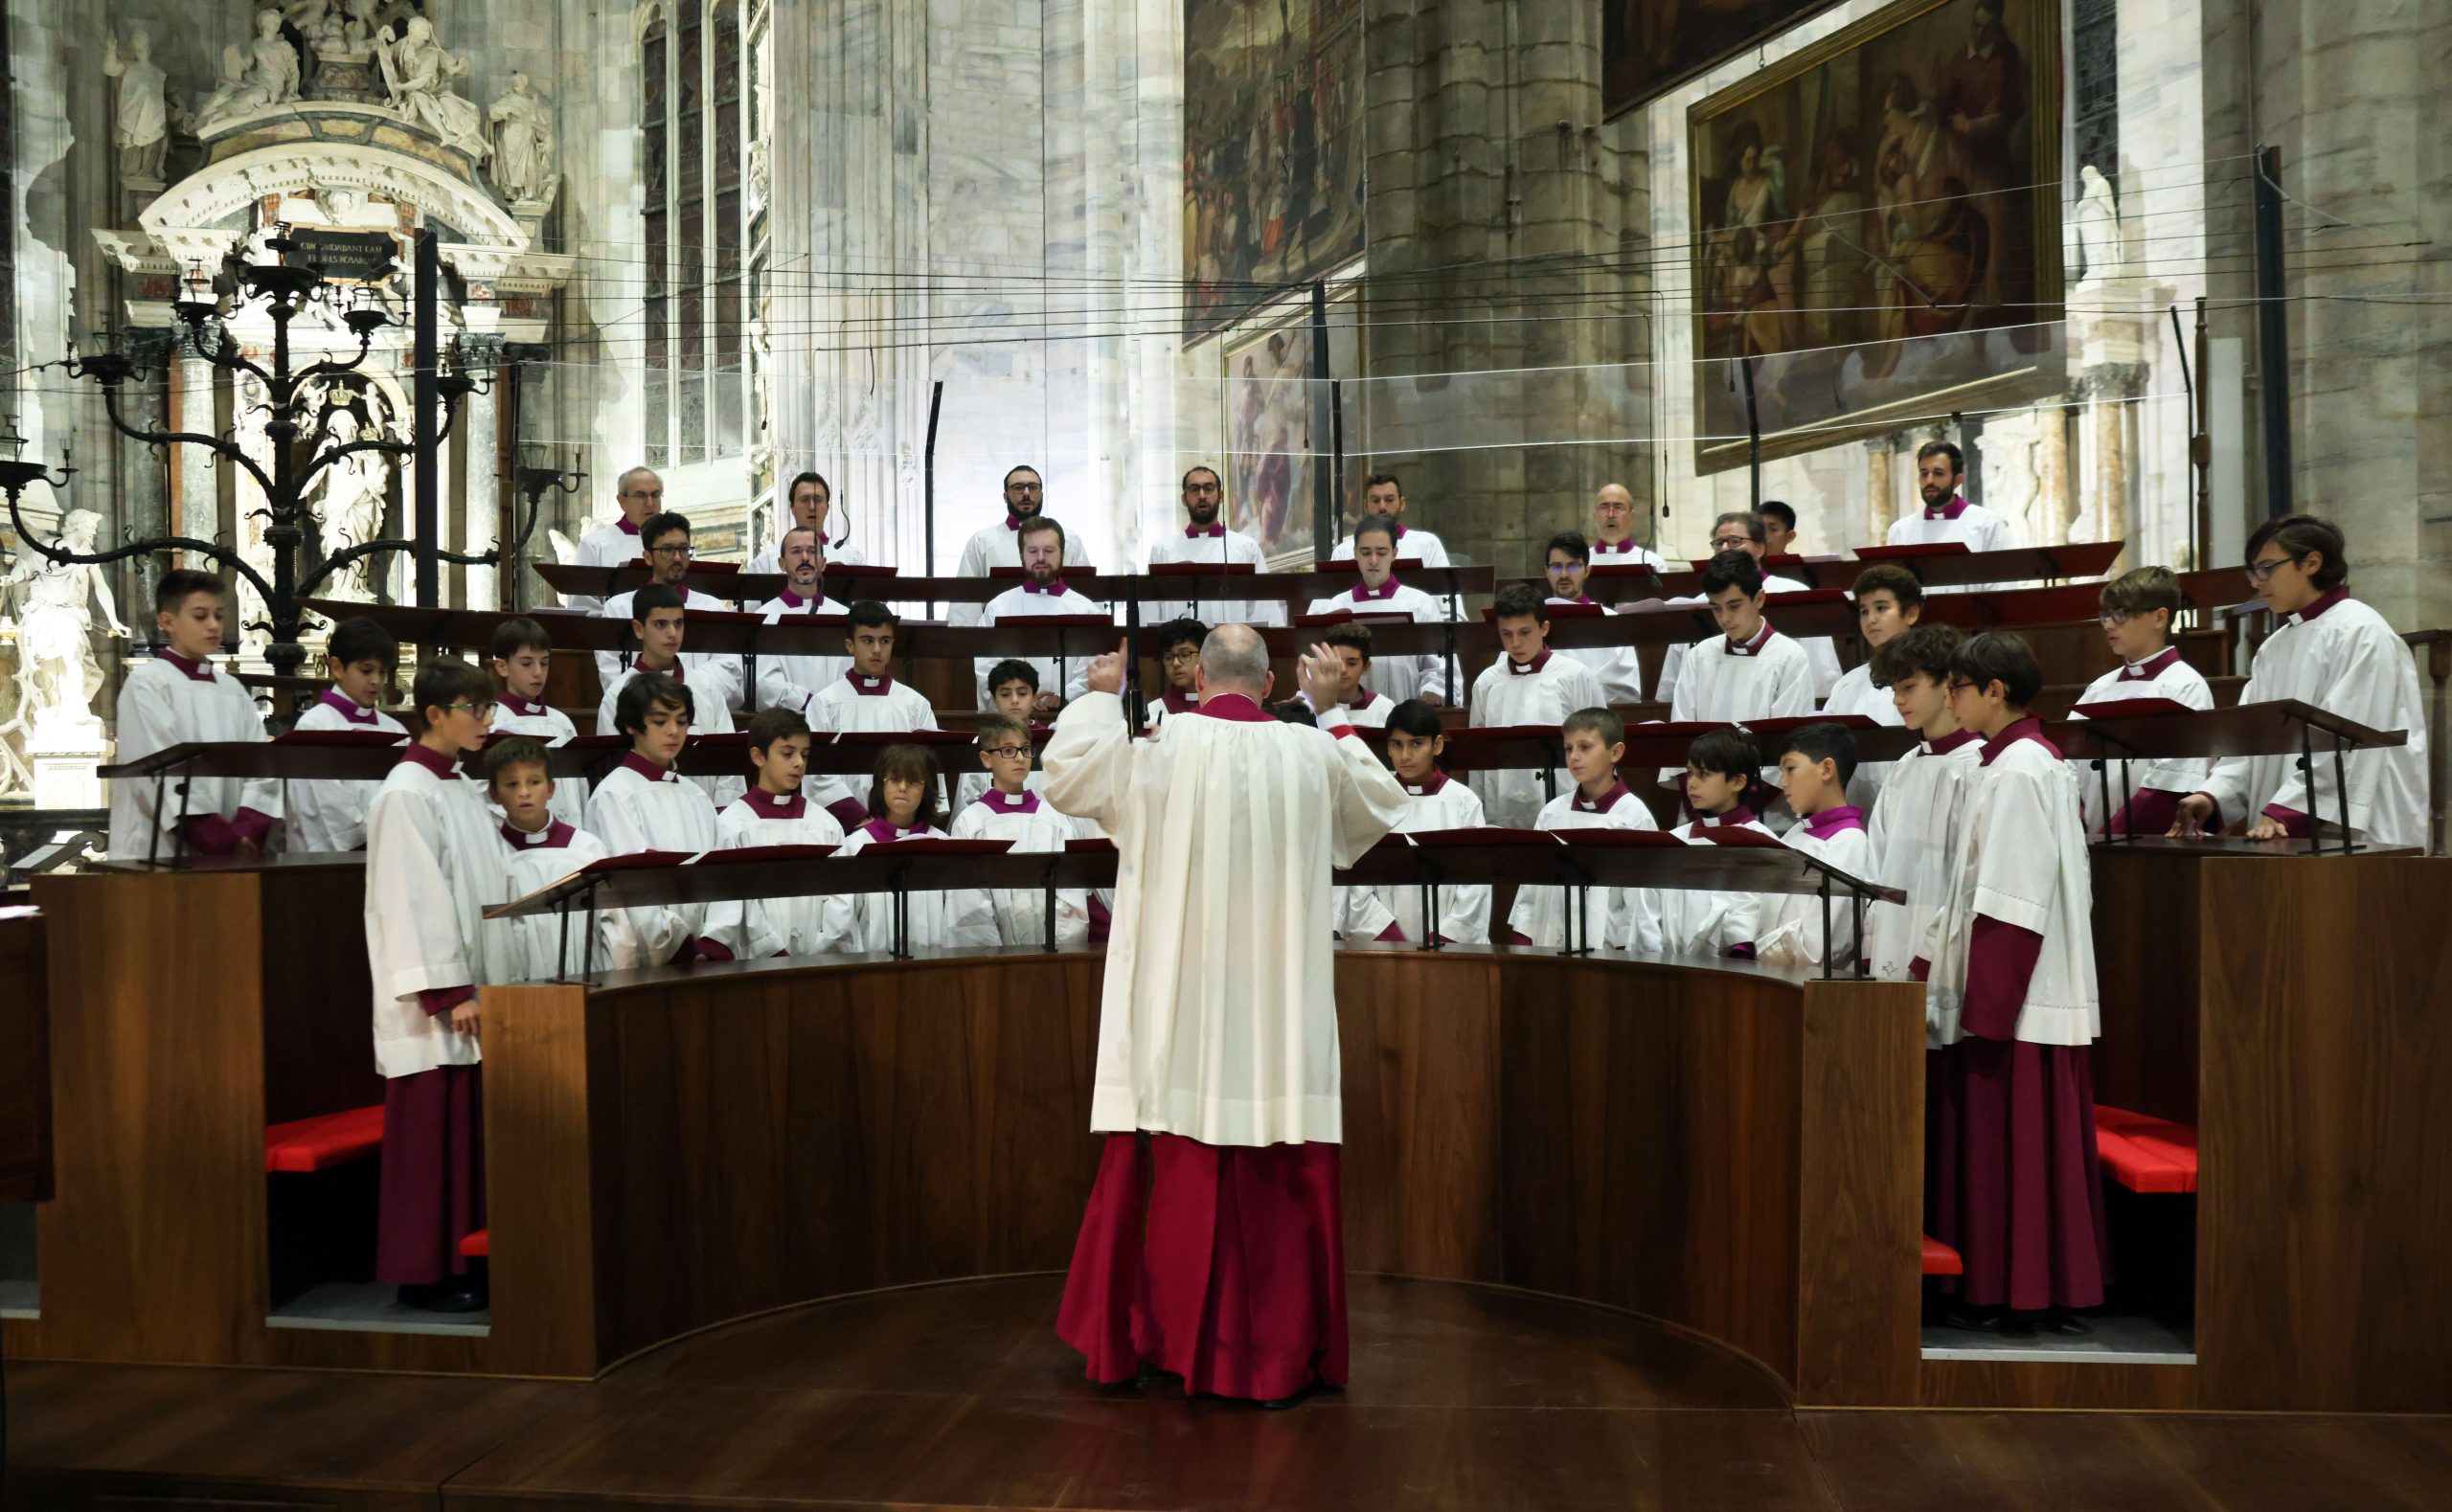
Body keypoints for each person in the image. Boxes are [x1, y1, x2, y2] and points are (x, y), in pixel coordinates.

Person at [1047, 625, 1407, 1405]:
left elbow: (1066, 779)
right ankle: (1278, 1353)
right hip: (1278, 1017)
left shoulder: (1153, 749)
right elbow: (1381, 806)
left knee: (1171, 1146)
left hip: (1177, 1015)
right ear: (1271, 680)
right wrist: (1332, 712)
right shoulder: (1312, 751)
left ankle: (1158, 1339)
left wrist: (1102, 699)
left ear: (1199, 679)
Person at [1919, 632, 2108, 1332]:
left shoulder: (2020, 769)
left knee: (2016, 1145)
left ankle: (2019, 1288)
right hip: (2009, 987)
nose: (1951, 697)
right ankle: (2005, 1281)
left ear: (1994, 690)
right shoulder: (2012, 761)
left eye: (1959, 686)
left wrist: (1986, 1005)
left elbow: (2012, 896)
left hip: (2020, 995)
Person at [362, 657, 503, 1312]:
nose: (485, 719)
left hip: (472, 985)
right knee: (431, 1139)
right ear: (434, 713)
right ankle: (425, 1274)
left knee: (464, 1137)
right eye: (473, 707)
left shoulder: (458, 787)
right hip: (434, 1005)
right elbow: (412, 898)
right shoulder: (406, 791)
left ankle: (465, 1259)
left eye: (488, 707)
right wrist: (446, 991)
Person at [2171, 515, 2428, 849]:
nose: (2257, 582)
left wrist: (2287, 811)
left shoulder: (2361, 632)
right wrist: (2212, 796)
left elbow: (2347, 738)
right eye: (2253, 572)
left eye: (2266, 568)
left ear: (2311, 562)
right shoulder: (2273, 648)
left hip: (2354, 829)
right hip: (2279, 828)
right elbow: (2250, 739)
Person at [107, 570, 282, 861]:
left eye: (219, 615)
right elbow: (161, 771)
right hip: (161, 852)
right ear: (168, 621)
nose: (213, 625)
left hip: (236, 851)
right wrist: (224, 841)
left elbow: (261, 768)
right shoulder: (147, 684)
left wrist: (247, 831)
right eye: (200, 616)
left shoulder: (233, 690)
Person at [1861, 625, 1984, 1039]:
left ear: (1948, 682)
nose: (1898, 700)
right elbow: (1877, 863)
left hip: (1951, 947)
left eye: (1909, 687)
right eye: (1894, 689)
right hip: (1895, 940)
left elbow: (1974, 872)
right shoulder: (1903, 768)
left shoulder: (1979, 768)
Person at [584, 673, 747, 970]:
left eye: (682, 721)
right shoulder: (614, 795)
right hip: (645, 965)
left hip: (703, 959)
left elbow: (724, 872)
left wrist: (713, 941)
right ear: (632, 725)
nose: (673, 731)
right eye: (660, 722)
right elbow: (634, 884)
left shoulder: (695, 795)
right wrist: (679, 947)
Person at [2065, 566, 2214, 838]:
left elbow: (2169, 784)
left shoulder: (2185, 686)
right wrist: (2080, 827)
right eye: (2105, 615)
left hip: (2149, 844)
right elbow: (2067, 765)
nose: (2109, 624)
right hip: (2090, 840)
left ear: (2159, 618)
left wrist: (2113, 835)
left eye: (2121, 614)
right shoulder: (2100, 688)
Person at [1333, 698, 1490, 946]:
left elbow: (1475, 884)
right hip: (1387, 946)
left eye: (1416, 744)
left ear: (1437, 745)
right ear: (1387, 747)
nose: (1405, 755)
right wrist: (1390, 937)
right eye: (1397, 745)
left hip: (1448, 948)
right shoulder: (1375, 799)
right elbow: (1359, 881)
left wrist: (1439, 939)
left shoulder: (1464, 802)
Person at [1507, 707, 1663, 951]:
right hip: (1548, 942)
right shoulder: (1552, 813)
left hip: (1610, 951)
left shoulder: (1634, 816)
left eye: (1585, 747)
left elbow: (1642, 902)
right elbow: (1531, 887)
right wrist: (1524, 937)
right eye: (1569, 748)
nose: (1574, 757)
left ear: (1616, 751)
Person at [1660, 553, 1814, 797]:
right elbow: (1683, 734)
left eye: (1734, 606)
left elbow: (1787, 744)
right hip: (1704, 803)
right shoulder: (1700, 655)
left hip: (1767, 806)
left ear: (1759, 599)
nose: (1725, 618)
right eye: (1716, 609)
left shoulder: (1789, 657)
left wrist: (1736, 801)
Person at [715, 707, 853, 959]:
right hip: (756, 962)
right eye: (788, 753)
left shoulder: (824, 823)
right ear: (758, 756)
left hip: (818, 961)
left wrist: (822, 949)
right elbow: (736, 901)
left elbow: (841, 896)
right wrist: (772, 950)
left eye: (804, 754)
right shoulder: (732, 825)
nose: (799, 763)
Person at [1658, 512, 1840, 703]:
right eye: (1719, 543)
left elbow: (1822, 672)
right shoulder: (1698, 605)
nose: (1726, 548)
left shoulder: (1797, 594)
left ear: (1760, 548)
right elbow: (1671, 689)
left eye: (1735, 541)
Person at [833, 744, 999, 952]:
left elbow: (963, 922)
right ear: (880, 785)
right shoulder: (854, 848)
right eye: (894, 779)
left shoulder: (943, 847)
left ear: (927, 790)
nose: (903, 787)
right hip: (871, 968)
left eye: (913, 781)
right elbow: (842, 924)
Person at [791, 600, 942, 828]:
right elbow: (818, 769)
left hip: (905, 825)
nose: (877, 650)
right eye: (867, 640)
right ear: (850, 645)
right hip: (846, 825)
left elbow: (929, 766)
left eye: (885, 640)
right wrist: (859, 817)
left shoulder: (915, 704)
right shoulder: (825, 703)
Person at [949, 713, 1094, 947]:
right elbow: (970, 904)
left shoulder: (1054, 818)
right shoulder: (970, 822)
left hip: (1051, 953)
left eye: (1025, 750)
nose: (1020, 758)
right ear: (986, 759)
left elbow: (1070, 895)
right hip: (994, 959)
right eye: (1008, 750)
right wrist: (995, 956)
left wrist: (1053, 948)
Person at [1468, 584, 1606, 829]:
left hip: (1566, 804)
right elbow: (1478, 755)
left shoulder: (1575, 676)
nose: (1515, 643)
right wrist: (1477, 808)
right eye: (1506, 634)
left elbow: (1600, 742)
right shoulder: (1486, 683)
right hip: (1502, 805)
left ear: (1544, 628)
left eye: (1524, 632)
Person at [595, 584, 743, 807]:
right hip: (643, 813)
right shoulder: (618, 694)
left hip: (708, 814)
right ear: (638, 628)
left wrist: (719, 815)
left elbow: (729, 763)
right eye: (661, 624)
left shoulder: (705, 688)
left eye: (678, 623)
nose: (672, 633)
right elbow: (616, 770)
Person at [483, 736, 610, 982]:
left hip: (588, 984)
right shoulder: (490, 855)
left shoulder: (586, 848)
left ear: (551, 788)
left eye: (534, 782)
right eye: (511, 784)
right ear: (494, 793)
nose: (524, 792)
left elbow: (614, 930)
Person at [1755, 724, 1873, 970]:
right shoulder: (1795, 833)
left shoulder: (1849, 841)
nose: (1782, 782)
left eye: (1790, 769)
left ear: (1827, 769)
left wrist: (1757, 951)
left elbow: (1820, 946)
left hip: (1814, 988)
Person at [596, 511, 742, 710]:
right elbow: (611, 672)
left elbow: (729, 671)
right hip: (641, 712)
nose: (677, 557)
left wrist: (684, 690)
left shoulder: (713, 608)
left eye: (683, 549)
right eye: (667, 549)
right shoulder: (619, 607)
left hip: (701, 709)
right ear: (648, 557)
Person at [286, 616, 406, 852]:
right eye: (366, 670)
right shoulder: (314, 728)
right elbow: (327, 812)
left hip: (393, 852)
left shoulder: (396, 731)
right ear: (337, 667)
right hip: (335, 865)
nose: (376, 681)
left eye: (382, 672)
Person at [1305, 515, 1452, 706]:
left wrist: (1432, 690)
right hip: (1350, 715)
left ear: (1394, 553)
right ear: (1355, 553)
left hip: (1406, 714)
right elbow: (1320, 665)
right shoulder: (1336, 606)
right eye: (1365, 552)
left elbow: (1439, 663)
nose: (1373, 560)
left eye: (1381, 552)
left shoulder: (1419, 603)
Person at [1656, 727, 1775, 960]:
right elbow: (1651, 915)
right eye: (1690, 773)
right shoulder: (1674, 840)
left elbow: (1748, 921)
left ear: (1738, 781)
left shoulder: (1760, 843)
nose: (1691, 783)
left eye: (1703, 774)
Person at [975, 517, 1110, 711]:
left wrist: (1064, 697)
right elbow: (986, 666)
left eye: (1048, 550)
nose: (1040, 558)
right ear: (1021, 554)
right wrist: (1021, 699)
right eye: (1032, 551)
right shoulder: (998, 608)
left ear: (1062, 553)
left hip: (1068, 718)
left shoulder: (1086, 610)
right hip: (1013, 720)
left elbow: (1092, 668)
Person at [952, 465, 1098, 627]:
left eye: (1033, 487)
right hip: (1001, 632)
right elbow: (965, 608)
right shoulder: (982, 541)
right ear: (1005, 496)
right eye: (1018, 487)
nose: (1027, 493)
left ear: (1041, 494)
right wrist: (966, 647)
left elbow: (1088, 593)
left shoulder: (1070, 539)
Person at [1824, 564, 1920, 807]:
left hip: (1914, 799)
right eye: (1864, 611)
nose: (1871, 619)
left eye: (1881, 608)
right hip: (1859, 806)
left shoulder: (1930, 676)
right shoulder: (1847, 684)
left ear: (1911, 613)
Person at [1146, 466, 1283, 627]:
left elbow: (1263, 612)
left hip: (1231, 649)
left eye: (1209, 488)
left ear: (1221, 496)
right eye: (1194, 489)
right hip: (1179, 650)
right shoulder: (1162, 551)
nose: (1202, 495)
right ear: (1184, 499)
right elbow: (1149, 615)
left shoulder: (1246, 548)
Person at [487, 617, 587, 829]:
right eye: (527, 663)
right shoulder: (492, 723)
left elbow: (579, 789)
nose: (538, 672)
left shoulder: (561, 722)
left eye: (544, 662)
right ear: (502, 666)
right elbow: (488, 797)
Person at [751, 525, 853, 712]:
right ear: (781, 564)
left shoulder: (845, 617)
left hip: (837, 719)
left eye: (812, 551)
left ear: (823, 563)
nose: (805, 558)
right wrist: (808, 702)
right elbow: (763, 683)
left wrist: (829, 706)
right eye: (796, 551)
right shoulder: (763, 619)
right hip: (785, 724)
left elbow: (853, 675)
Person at [1540, 530, 1644, 705]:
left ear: (1587, 571)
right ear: (1546, 571)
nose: (1564, 575)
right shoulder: (1531, 621)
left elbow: (1625, 690)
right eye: (1557, 567)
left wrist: (1572, 697)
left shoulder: (1610, 620)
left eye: (1573, 566)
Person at [565, 465, 664, 611]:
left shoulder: (677, 545)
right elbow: (582, 606)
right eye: (641, 495)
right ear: (621, 501)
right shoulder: (595, 544)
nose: (650, 503)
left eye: (655, 494)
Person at [1886, 440, 2012, 553]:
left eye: (1938, 473)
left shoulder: (1987, 523)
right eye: (1924, 473)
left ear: (1958, 479)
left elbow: (2003, 576)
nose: (1929, 480)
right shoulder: (1900, 530)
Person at [745, 469, 866, 574]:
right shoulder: (767, 561)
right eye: (804, 500)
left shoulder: (852, 558)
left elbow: (868, 599)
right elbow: (750, 600)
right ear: (792, 507)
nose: (812, 506)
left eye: (818, 500)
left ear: (827, 507)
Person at [1323, 471, 1450, 567]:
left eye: (1389, 499)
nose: (1382, 507)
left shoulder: (1427, 544)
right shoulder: (1344, 552)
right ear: (1365, 506)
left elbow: (1446, 598)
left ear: (1402, 504)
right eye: (1375, 500)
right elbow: (1325, 600)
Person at [1304, 621, 1397, 727]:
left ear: (1366, 667)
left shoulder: (1384, 709)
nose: (1342, 669)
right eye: (1336, 662)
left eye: (1351, 663)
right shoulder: (1307, 709)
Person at [1144, 618, 1208, 731]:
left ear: (1204, 655)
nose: (1176, 663)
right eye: (1169, 657)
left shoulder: (1220, 707)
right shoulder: (1153, 712)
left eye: (1184, 655)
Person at [1588, 482, 1667, 566]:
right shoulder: (1582, 563)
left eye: (1618, 507)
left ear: (1631, 516)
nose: (1610, 515)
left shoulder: (1652, 562)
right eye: (1604, 507)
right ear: (1595, 516)